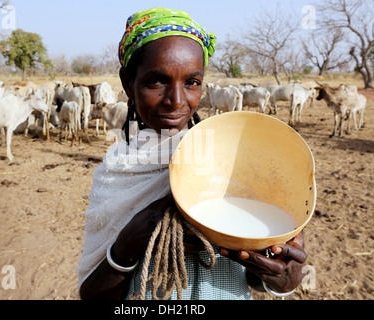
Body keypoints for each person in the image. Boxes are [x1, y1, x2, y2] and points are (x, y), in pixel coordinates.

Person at [77, 7, 307, 300]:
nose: (176, 101)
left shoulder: (236, 162)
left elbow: (267, 272)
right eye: (155, 81)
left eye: (191, 82)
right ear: (127, 84)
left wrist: (284, 279)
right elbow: (92, 295)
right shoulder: (116, 174)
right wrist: (128, 243)